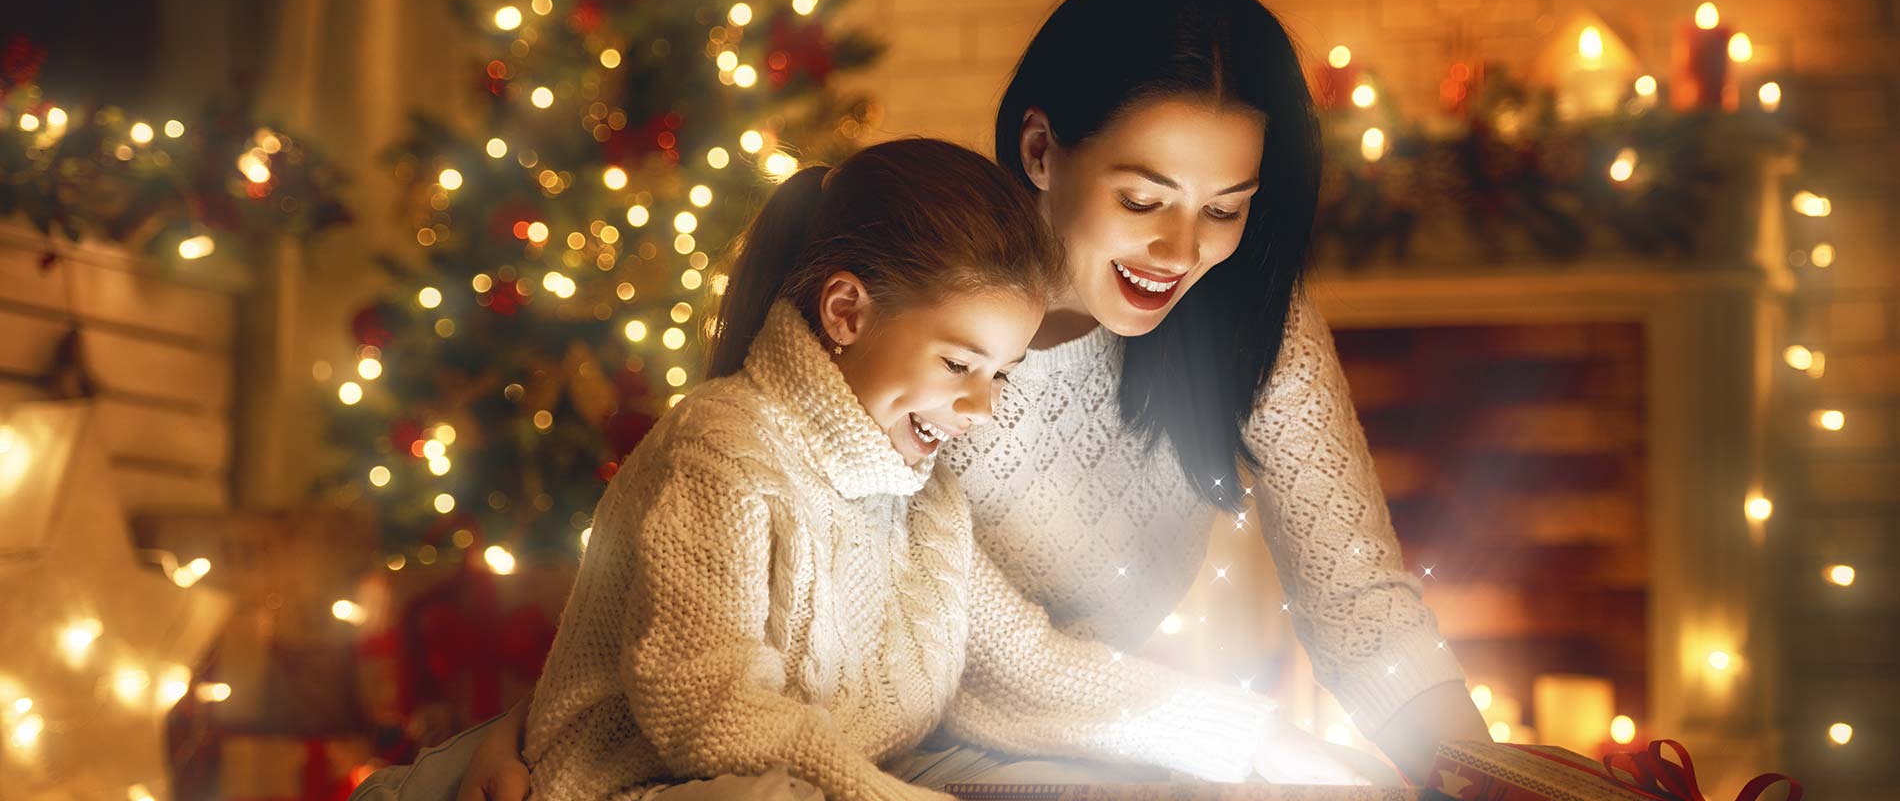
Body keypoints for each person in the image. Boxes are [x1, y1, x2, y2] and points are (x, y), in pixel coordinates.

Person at [451, 0, 1487, 800]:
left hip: (1050, 719)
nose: (1181, 249)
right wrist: (541, 723)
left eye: (1224, 209)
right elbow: (696, 589)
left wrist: (1478, 776)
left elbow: (1356, 601)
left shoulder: (1247, 323)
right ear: (1040, 147)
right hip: (890, 751)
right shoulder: (908, 337)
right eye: (1143, 199)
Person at [356, 138, 1359, 801]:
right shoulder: (726, 447)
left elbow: (1038, 669)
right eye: (960, 365)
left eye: (1002, 372)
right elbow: (705, 709)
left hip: (842, 779)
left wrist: (1258, 742)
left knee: (1116, 779)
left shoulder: (924, 500)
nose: (982, 408)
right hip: (649, 783)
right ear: (846, 315)